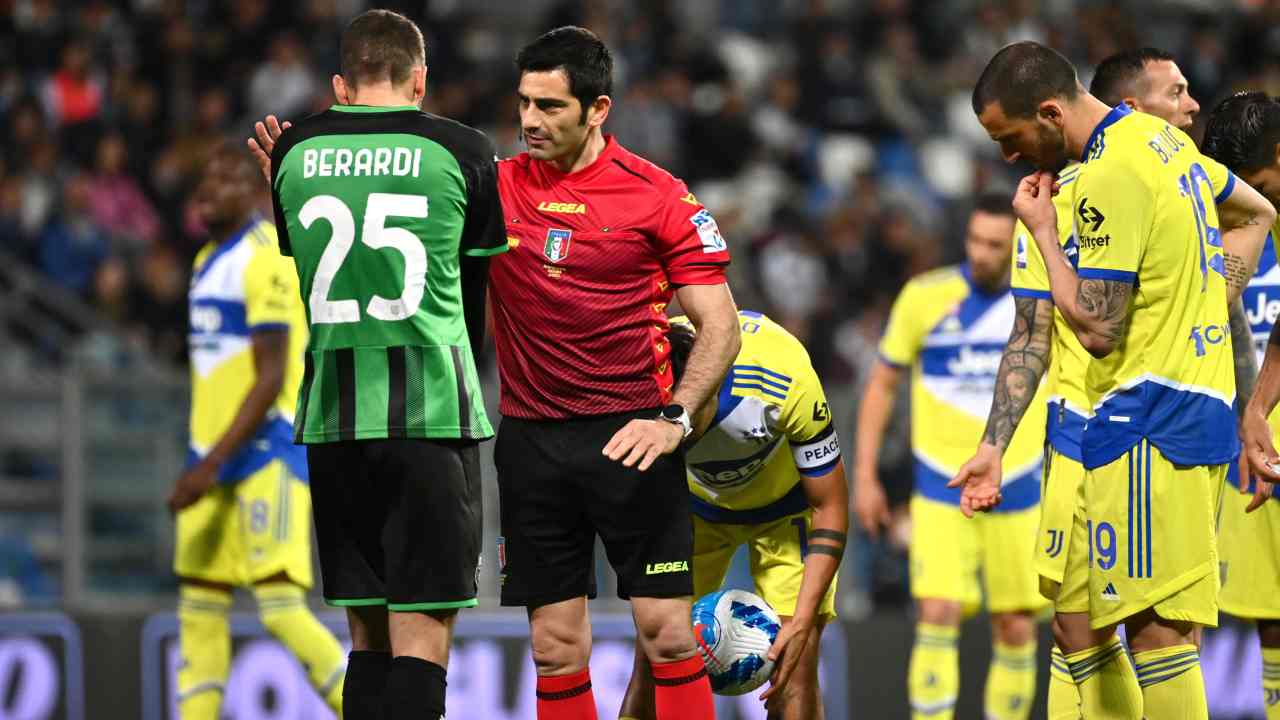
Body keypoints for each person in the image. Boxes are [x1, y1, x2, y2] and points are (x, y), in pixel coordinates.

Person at [967, 41, 1273, 718]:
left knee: (1156, 631)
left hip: (1146, 420)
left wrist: (1046, 234)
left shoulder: (1102, 179)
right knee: (1085, 625)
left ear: (1048, 111)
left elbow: (1095, 328)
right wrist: (1208, 292)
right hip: (1144, 419)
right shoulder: (1168, 152)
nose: (1009, 156)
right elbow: (1258, 213)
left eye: (1009, 137)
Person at [247, 10, 507, 720]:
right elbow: (478, 291)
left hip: (333, 422)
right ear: (419, 79)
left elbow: (311, 267)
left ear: (340, 83)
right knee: (422, 636)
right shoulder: (463, 149)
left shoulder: (294, 153)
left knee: (365, 637)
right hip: (430, 413)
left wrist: (283, 183)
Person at [492, 26, 740, 720]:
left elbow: (721, 325)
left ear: (598, 109)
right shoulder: (495, 187)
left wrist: (677, 416)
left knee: (665, 635)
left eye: (550, 107)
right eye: (524, 103)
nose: (529, 121)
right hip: (531, 441)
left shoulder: (657, 196)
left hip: (632, 432)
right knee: (554, 646)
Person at [854, 193, 1049, 720]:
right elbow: (880, 387)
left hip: (1023, 485)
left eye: (995, 245)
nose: (982, 253)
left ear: (1018, 247)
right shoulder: (925, 296)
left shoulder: (1041, 301)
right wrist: (866, 475)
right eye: (975, 240)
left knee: (1015, 623)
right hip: (941, 487)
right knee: (936, 612)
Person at [168, 143, 345, 720]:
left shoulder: (267, 256)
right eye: (202, 180)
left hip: (263, 453)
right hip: (210, 458)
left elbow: (271, 377)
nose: (203, 191)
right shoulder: (203, 260)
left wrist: (208, 466)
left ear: (250, 191)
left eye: (219, 181)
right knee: (199, 613)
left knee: (280, 607)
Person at [619, 311, 847, 720]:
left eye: (688, 417)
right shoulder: (644, 376)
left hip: (786, 510)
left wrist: (803, 621)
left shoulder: (784, 378)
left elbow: (830, 503)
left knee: (796, 661)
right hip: (695, 512)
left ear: (710, 388)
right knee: (654, 656)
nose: (679, 430)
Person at [1204, 91, 1280, 720]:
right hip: (1262, 451)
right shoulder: (1245, 220)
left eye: (1256, 185)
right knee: (1269, 618)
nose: (1251, 204)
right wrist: (1254, 409)